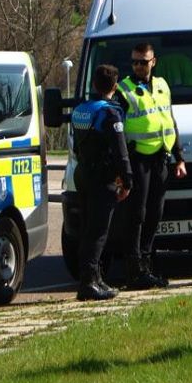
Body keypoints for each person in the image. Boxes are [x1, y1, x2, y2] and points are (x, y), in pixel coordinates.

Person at [116, 42, 189, 289]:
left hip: (161, 157)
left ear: (153, 62)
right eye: (134, 61)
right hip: (137, 159)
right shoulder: (124, 90)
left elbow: (170, 120)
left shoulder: (162, 86)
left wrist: (179, 157)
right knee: (137, 214)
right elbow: (116, 130)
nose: (138, 66)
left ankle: (146, 265)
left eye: (143, 62)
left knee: (155, 212)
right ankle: (134, 270)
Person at [70, 64, 132, 301]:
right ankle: (88, 283)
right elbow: (120, 151)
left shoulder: (81, 109)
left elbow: (77, 145)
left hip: (83, 173)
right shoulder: (109, 113)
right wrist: (127, 180)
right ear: (115, 87)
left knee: (87, 228)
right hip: (101, 177)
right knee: (98, 232)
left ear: (94, 84)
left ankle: (93, 278)